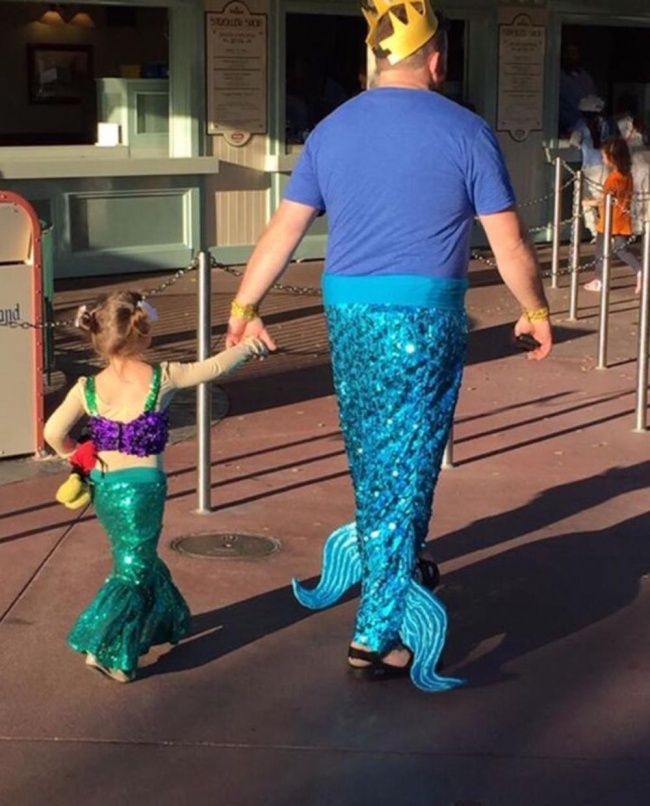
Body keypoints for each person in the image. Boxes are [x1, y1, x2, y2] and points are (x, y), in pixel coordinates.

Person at [225, 0, 552, 692]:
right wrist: (534, 309)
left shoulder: (332, 129)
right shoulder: (466, 131)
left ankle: (397, 560)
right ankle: (377, 635)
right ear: (436, 59)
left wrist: (244, 307)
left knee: (378, 454)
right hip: (423, 318)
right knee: (409, 455)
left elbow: (283, 230)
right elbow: (510, 243)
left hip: (347, 314)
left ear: (375, 57)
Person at [44, 291, 266, 683]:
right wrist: (250, 346)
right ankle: (107, 647)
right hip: (144, 490)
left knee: (135, 557)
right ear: (143, 333)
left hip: (106, 488)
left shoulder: (87, 387)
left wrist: (77, 456)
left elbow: (53, 432)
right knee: (132, 568)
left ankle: (165, 619)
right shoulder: (163, 377)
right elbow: (213, 367)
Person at [583, 137, 642, 294]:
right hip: (623, 219)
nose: (602, 159)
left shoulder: (612, 179)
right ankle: (640, 270)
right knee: (622, 250)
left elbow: (606, 199)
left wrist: (589, 202)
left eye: (604, 156)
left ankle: (601, 280)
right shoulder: (627, 175)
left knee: (600, 251)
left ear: (612, 158)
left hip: (609, 220)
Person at [570, 95, 611, 241]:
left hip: (589, 167)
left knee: (586, 201)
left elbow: (574, 142)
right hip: (605, 167)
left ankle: (595, 231)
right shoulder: (604, 123)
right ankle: (607, 230)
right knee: (604, 200)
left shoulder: (580, 124)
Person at [559, 44, 597, 137]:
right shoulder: (557, 77)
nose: (570, 57)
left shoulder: (586, 79)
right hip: (562, 131)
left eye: (573, 53)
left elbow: (593, 104)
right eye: (567, 53)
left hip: (585, 131)